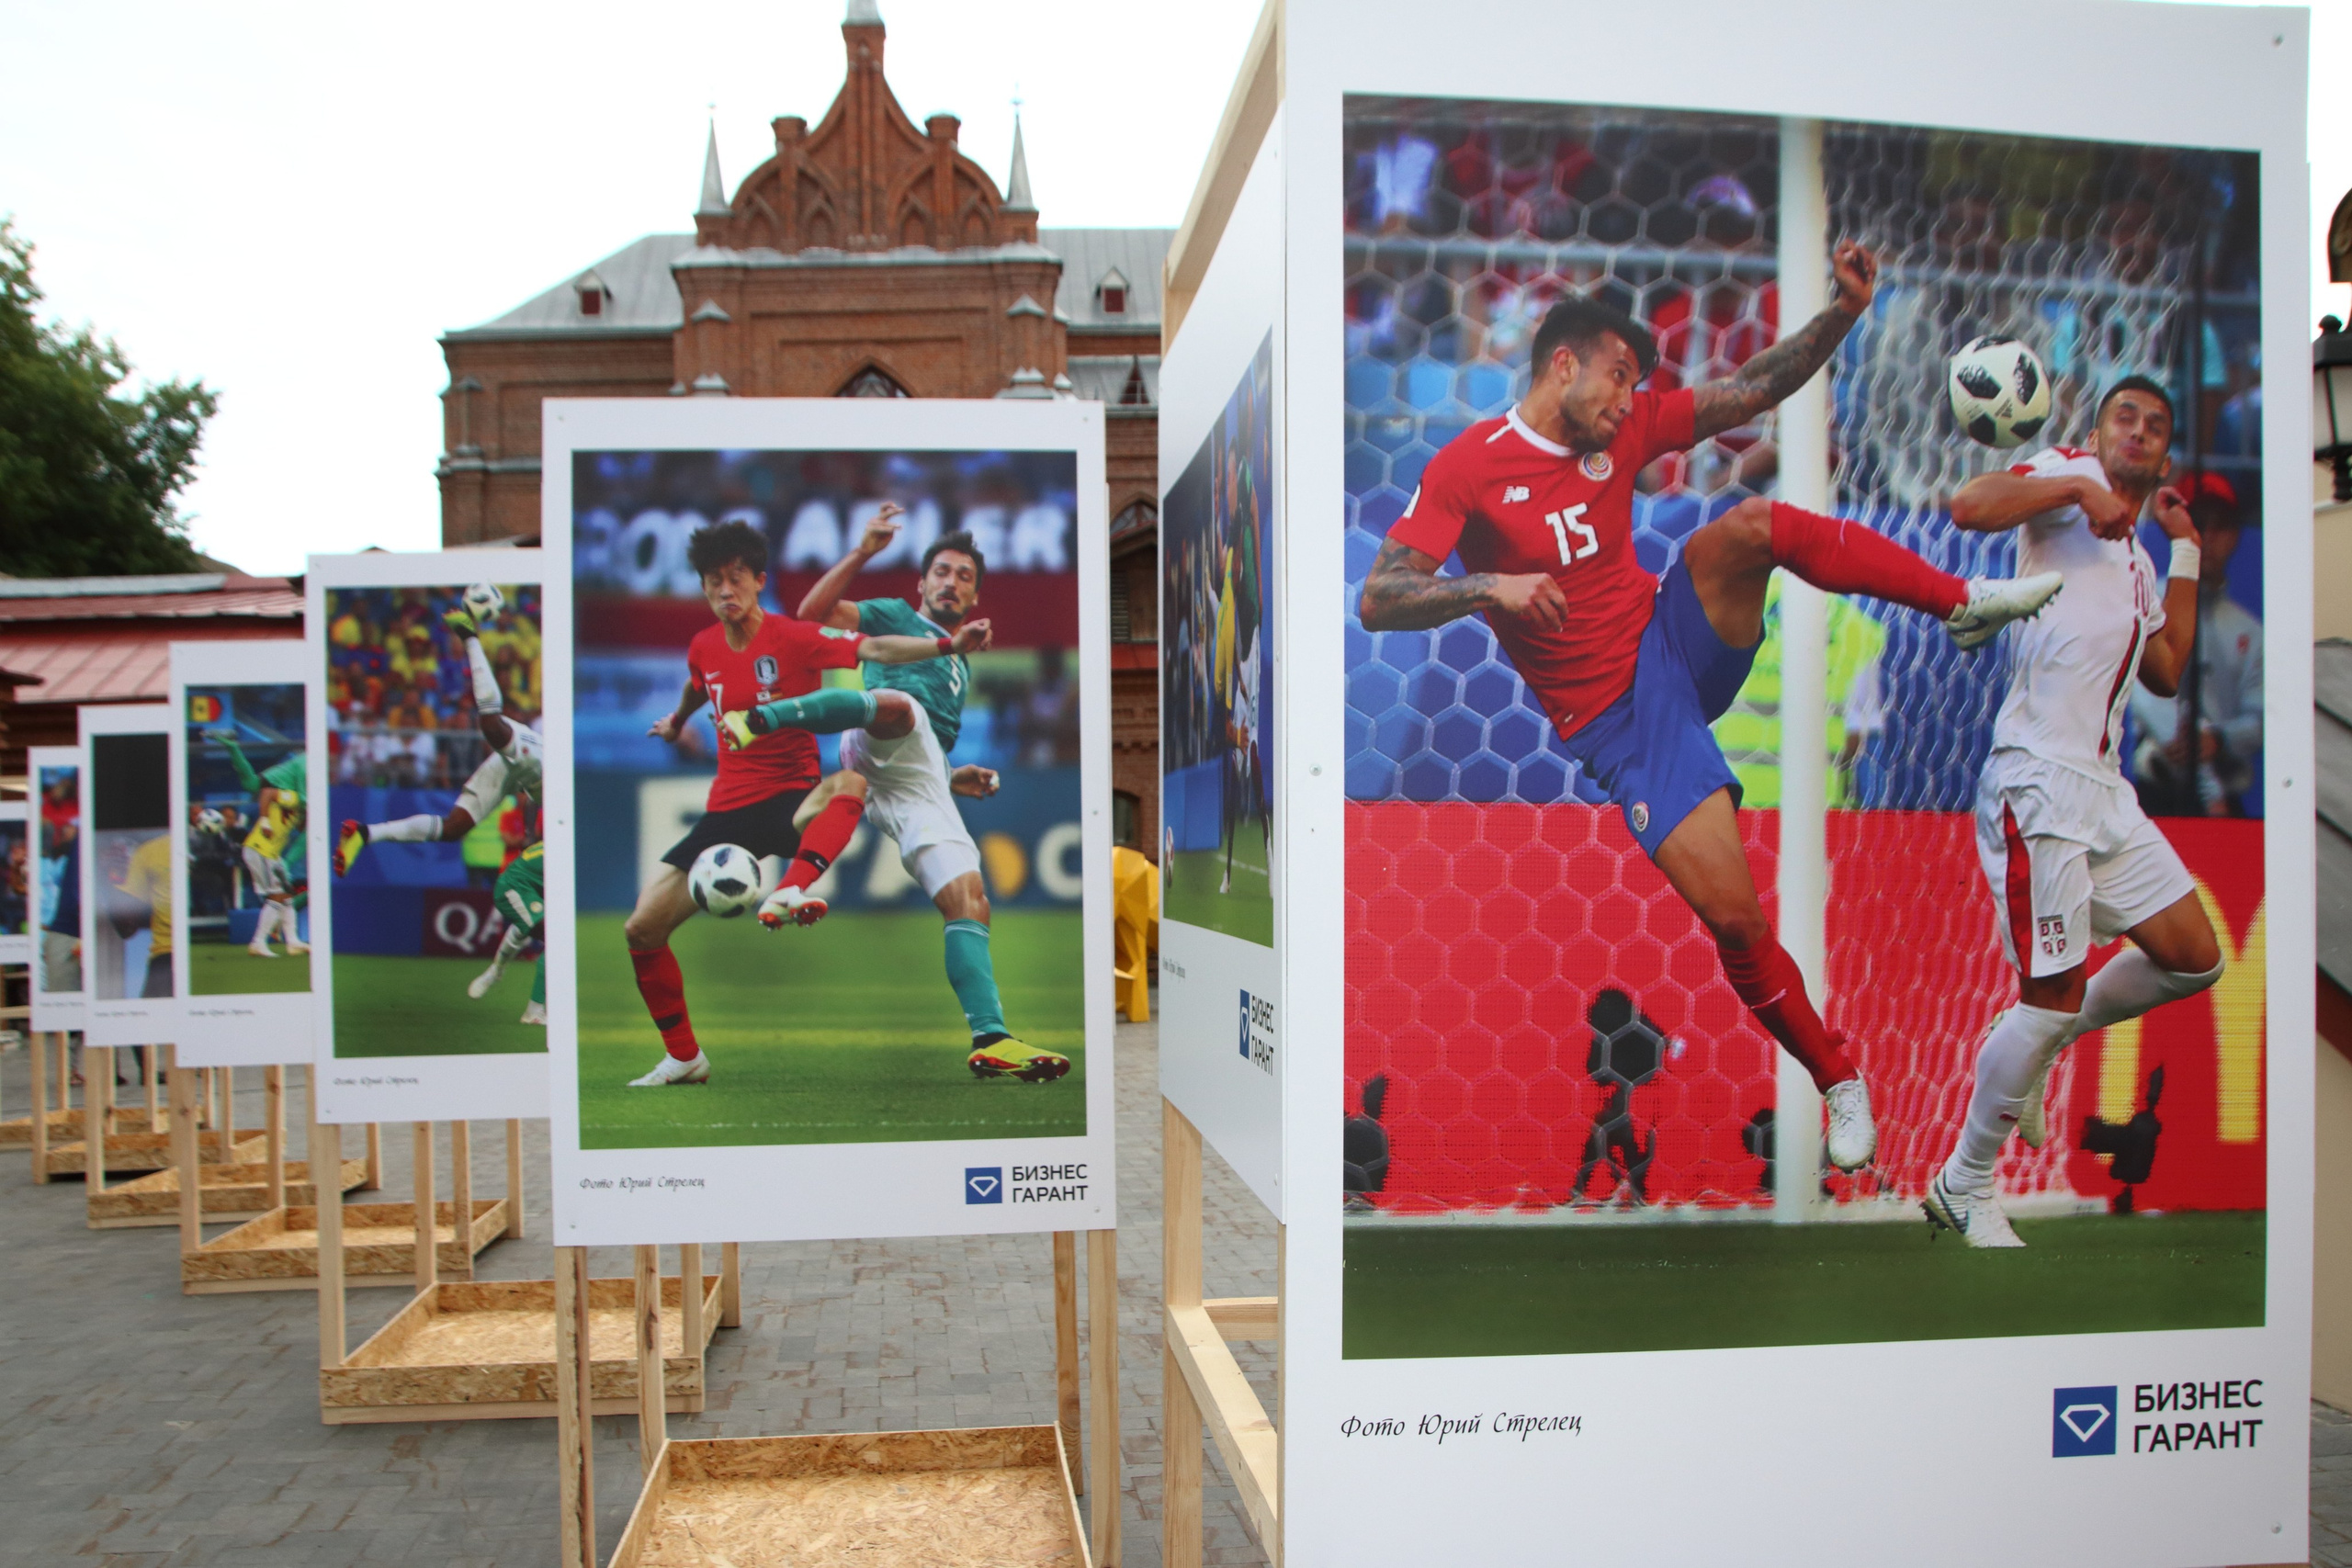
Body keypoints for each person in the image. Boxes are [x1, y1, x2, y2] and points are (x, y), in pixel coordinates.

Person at [1356, 246, 2064, 1173]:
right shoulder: (1468, 470)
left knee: (1747, 528)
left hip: (1673, 640)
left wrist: (1842, 313)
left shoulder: (1626, 427)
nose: (1629, 398)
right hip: (1618, 725)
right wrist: (1492, 585)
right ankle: (1837, 1080)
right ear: (1561, 364)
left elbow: (1746, 392)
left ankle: (1959, 603)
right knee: (1735, 920)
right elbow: (1378, 597)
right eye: (1618, 375)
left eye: (1637, 384)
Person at [1921, 378, 2224, 1247]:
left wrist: (2187, 551)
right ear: (2096, 434)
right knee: (2049, 994)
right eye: (2124, 417)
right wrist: (2073, 484)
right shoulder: (2061, 484)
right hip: (2039, 778)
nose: (2139, 431)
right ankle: (1963, 1181)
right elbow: (1969, 504)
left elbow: (2166, 669)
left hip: (2105, 788)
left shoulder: (2134, 553)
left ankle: (2039, 1036)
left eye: (2156, 425)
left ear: (2165, 456)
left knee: (2194, 957)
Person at [624, 519, 989, 1088]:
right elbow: (701, 681)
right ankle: (685, 1058)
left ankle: (791, 888)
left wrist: (945, 644)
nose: (726, 591)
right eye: (714, 582)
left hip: (791, 798)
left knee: (851, 786)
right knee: (641, 930)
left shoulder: (792, 637)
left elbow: (871, 646)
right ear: (704, 589)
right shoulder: (703, 645)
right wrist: (677, 719)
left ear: (758, 581)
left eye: (736, 578)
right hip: (726, 812)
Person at [729, 510, 1069, 1084]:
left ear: (975, 594)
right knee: (900, 707)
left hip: (917, 778)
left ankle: (990, 1038)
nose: (950, 582)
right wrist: (862, 551)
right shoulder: (896, 615)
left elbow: (928, 747)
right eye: (941, 571)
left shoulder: (959, 660)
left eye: (964, 576)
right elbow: (811, 618)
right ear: (921, 582)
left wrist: (953, 775)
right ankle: (759, 718)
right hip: (875, 734)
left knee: (970, 898)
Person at [335, 598, 538, 878]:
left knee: (452, 828)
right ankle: (471, 638)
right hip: (539, 756)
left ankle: (365, 833)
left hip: (518, 774)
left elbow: (534, 800)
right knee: (492, 724)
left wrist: (528, 831)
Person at [2128, 471, 2263, 816]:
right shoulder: (2145, 600)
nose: (2208, 536)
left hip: (2223, 809)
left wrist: (2218, 740)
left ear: (2235, 535)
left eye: (2221, 525)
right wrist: (2210, 790)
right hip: (2155, 799)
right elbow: (2150, 702)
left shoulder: (2249, 631)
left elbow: (2264, 720)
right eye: (2198, 523)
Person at [220, 735, 309, 958]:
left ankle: (293, 941)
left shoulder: (302, 806)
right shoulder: (294, 797)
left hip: (270, 852)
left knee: (286, 897)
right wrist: (265, 820)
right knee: (277, 897)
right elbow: (267, 792)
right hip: (259, 848)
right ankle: (258, 942)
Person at [468, 838, 547, 1025]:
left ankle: (495, 972)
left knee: (528, 928)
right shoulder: (563, 851)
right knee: (556, 941)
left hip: (529, 889)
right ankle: (533, 1013)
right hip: (513, 889)